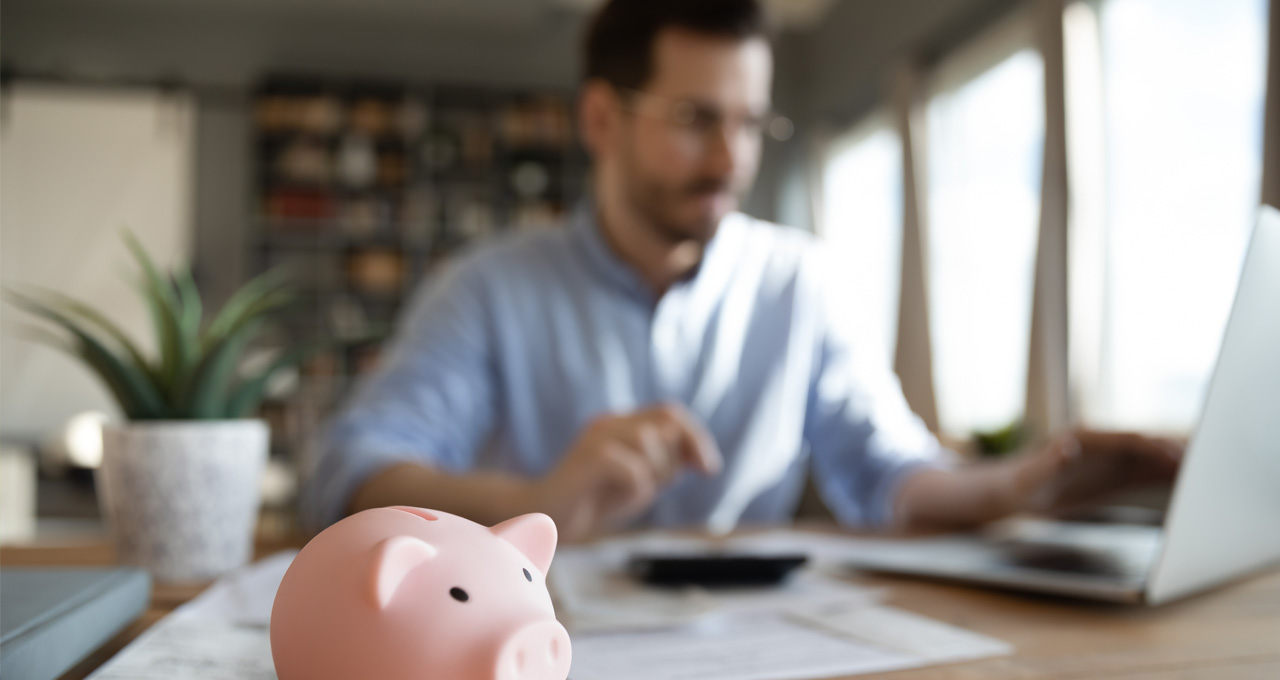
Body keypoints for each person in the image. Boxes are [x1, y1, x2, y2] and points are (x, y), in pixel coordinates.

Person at [299, 0, 1180, 539]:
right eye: (696, 117)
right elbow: (352, 477)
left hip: (750, 679)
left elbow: (890, 475)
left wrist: (1023, 483)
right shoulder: (487, 289)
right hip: (527, 661)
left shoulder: (801, 283)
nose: (731, 157)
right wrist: (541, 500)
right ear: (602, 119)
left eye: (753, 123)